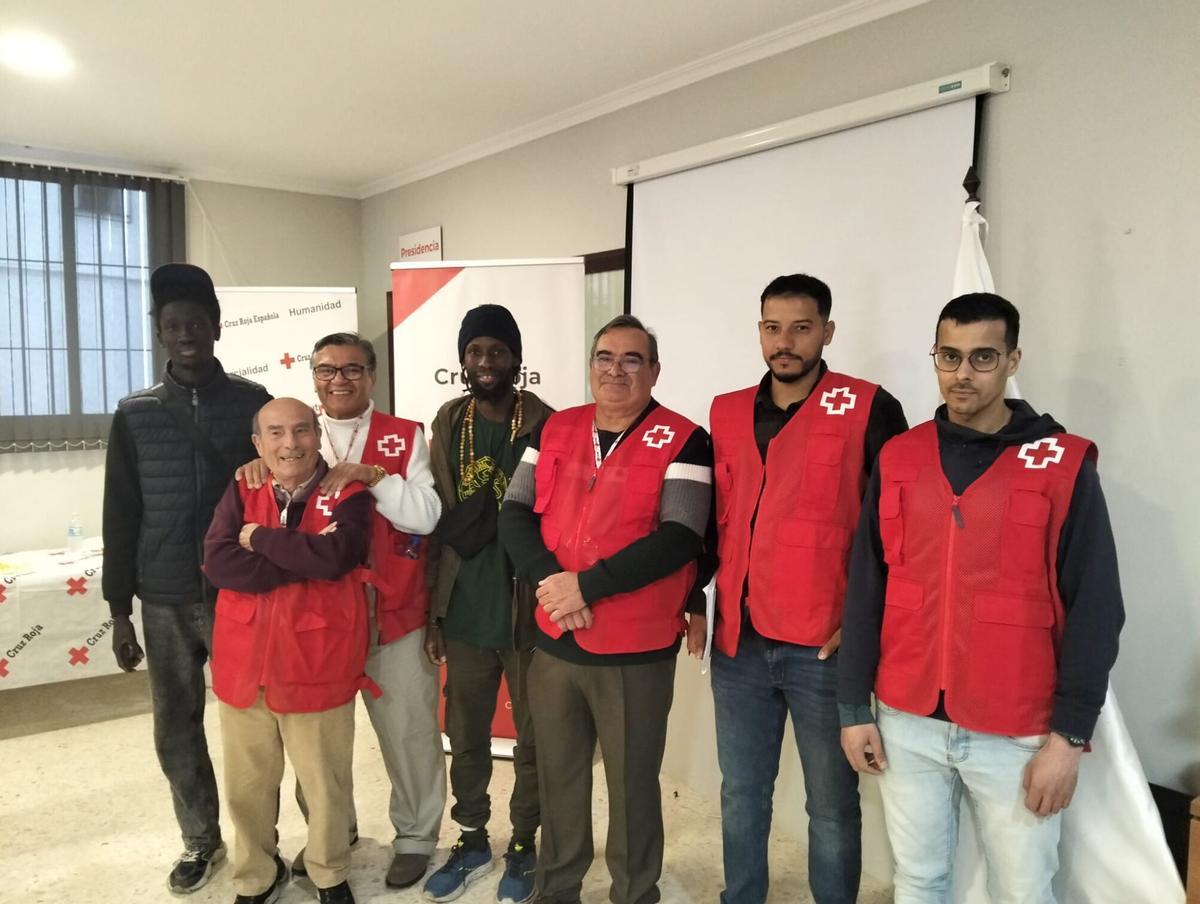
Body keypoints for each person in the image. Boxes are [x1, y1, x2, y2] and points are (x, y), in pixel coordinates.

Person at [838, 293, 1125, 903]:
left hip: (1016, 727)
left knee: (1023, 889)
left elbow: (1097, 608)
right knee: (917, 879)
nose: (962, 373)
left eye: (983, 357)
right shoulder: (900, 456)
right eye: (949, 356)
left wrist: (1069, 738)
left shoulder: (1061, 462)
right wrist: (852, 707)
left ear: (1013, 359)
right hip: (906, 715)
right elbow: (867, 586)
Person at [499, 314, 712, 904]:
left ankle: (635, 891)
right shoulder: (554, 429)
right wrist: (552, 585)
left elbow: (681, 536)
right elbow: (514, 513)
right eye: (604, 357)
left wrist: (586, 588)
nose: (615, 370)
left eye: (631, 359)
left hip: (634, 650)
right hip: (554, 636)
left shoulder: (684, 436)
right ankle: (557, 888)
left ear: (655, 370)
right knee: (558, 779)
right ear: (590, 365)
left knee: (631, 786)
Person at [708, 274, 907, 904]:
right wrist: (694, 596)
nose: (784, 342)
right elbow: (718, 517)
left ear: (827, 331)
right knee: (741, 793)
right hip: (737, 643)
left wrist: (869, 624)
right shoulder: (727, 409)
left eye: (800, 327)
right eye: (772, 327)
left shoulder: (871, 407)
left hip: (823, 648)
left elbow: (899, 531)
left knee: (830, 807)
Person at [101, 262, 270, 895]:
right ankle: (201, 840)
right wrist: (119, 609)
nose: (185, 334)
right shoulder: (135, 414)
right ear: (159, 333)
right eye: (172, 325)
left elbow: (278, 500)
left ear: (217, 326)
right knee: (176, 724)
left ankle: (263, 841)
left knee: (256, 723)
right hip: (165, 596)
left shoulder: (255, 405)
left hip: (240, 593)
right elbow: (120, 511)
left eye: (195, 323)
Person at [205, 397, 374, 904]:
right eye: (275, 433)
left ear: (317, 435)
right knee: (247, 787)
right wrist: (303, 555)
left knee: (325, 785)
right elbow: (219, 562)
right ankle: (257, 875)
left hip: (318, 661)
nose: (290, 443)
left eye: (301, 431)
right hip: (244, 664)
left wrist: (258, 537)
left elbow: (340, 555)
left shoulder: (349, 491)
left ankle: (328, 872)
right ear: (258, 443)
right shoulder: (243, 485)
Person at [422, 305, 553, 904]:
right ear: (462, 360)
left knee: (535, 735)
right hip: (467, 606)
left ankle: (525, 842)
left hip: (528, 610)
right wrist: (432, 614)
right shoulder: (449, 419)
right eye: (475, 352)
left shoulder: (550, 422)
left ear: (516, 359)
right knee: (465, 730)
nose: (484, 363)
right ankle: (472, 835)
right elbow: (435, 522)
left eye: (497, 352)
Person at [306, 332, 445, 889]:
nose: (339, 379)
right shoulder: (296, 434)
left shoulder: (402, 435)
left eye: (352, 369)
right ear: (312, 375)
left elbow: (427, 515)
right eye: (326, 369)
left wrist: (374, 477)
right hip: (317, 621)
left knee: (410, 734)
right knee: (316, 742)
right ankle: (330, 834)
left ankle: (415, 836)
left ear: (371, 375)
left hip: (395, 612)